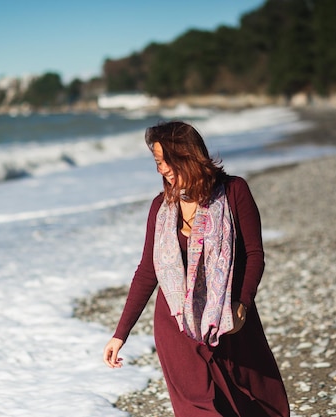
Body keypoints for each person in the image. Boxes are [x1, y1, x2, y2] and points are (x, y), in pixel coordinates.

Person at [103, 121, 290, 417]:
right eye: (156, 162)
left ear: (187, 156)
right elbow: (147, 271)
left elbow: (254, 254)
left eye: (165, 161)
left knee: (252, 400)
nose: (161, 169)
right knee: (198, 408)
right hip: (176, 324)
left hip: (227, 315)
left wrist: (242, 303)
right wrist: (120, 334)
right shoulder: (160, 208)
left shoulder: (232, 192)